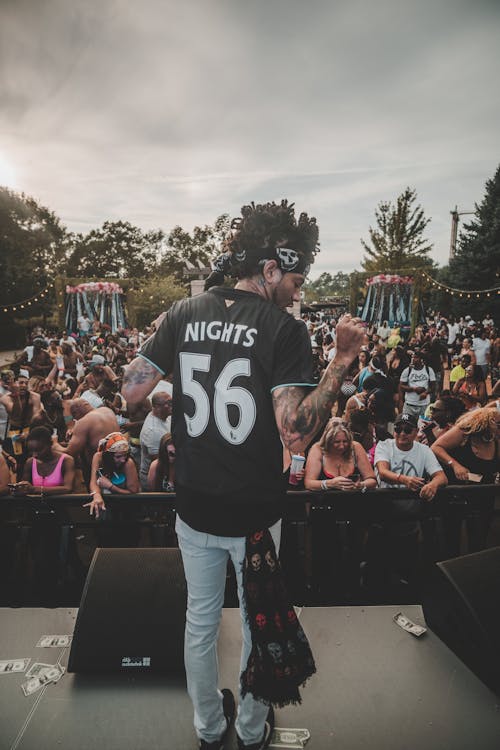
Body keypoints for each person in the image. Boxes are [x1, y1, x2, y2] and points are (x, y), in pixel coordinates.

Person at [120, 200, 366, 750]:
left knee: (200, 622)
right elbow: (297, 434)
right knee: (259, 623)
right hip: (254, 512)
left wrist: (168, 336)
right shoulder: (284, 329)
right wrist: (341, 362)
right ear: (271, 269)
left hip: (194, 504)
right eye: (296, 278)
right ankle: (253, 731)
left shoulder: (184, 312)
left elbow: (131, 391)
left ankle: (209, 727)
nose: (299, 291)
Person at [372, 413, 447, 589]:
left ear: (415, 432)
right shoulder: (385, 446)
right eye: (398, 429)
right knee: (381, 560)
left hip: (410, 517)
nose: (402, 434)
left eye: (407, 430)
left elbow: (441, 476)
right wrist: (404, 480)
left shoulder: (423, 451)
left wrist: (433, 485)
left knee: (407, 562)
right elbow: (383, 471)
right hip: (383, 516)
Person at [432, 407, 500, 555]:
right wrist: (455, 465)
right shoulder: (465, 433)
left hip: (483, 496)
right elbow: (436, 447)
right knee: (452, 539)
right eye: (498, 425)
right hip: (458, 495)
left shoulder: (496, 439)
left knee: (478, 540)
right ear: (488, 423)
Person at [53, 398, 119, 489]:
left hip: (100, 468)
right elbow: (97, 431)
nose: (75, 419)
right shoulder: (107, 410)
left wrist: (55, 444)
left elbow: (69, 452)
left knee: (99, 495)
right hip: (118, 462)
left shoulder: (83, 422)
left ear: (77, 412)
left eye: (74, 415)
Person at [86, 432, 140, 513]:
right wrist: (96, 495)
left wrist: (111, 486)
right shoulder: (98, 457)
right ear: (108, 456)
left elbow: (133, 492)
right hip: (106, 502)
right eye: (118, 456)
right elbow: (93, 482)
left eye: (125, 455)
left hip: (126, 505)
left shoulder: (128, 463)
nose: (123, 460)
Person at [139, 392, 172, 489]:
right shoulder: (153, 431)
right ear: (157, 407)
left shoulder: (164, 416)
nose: (172, 404)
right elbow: (160, 462)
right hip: (155, 478)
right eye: (168, 403)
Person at [399, 350, 436, 419]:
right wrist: (413, 389)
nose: (413, 359)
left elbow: (433, 386)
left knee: (422, 426)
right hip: (409, 405)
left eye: (416, 357)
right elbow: (401, 386)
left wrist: (426, 392)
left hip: (424, 405)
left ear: (421, 359)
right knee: (407, 425)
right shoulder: (407, 370)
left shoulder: (429, 370)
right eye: (412, 357)